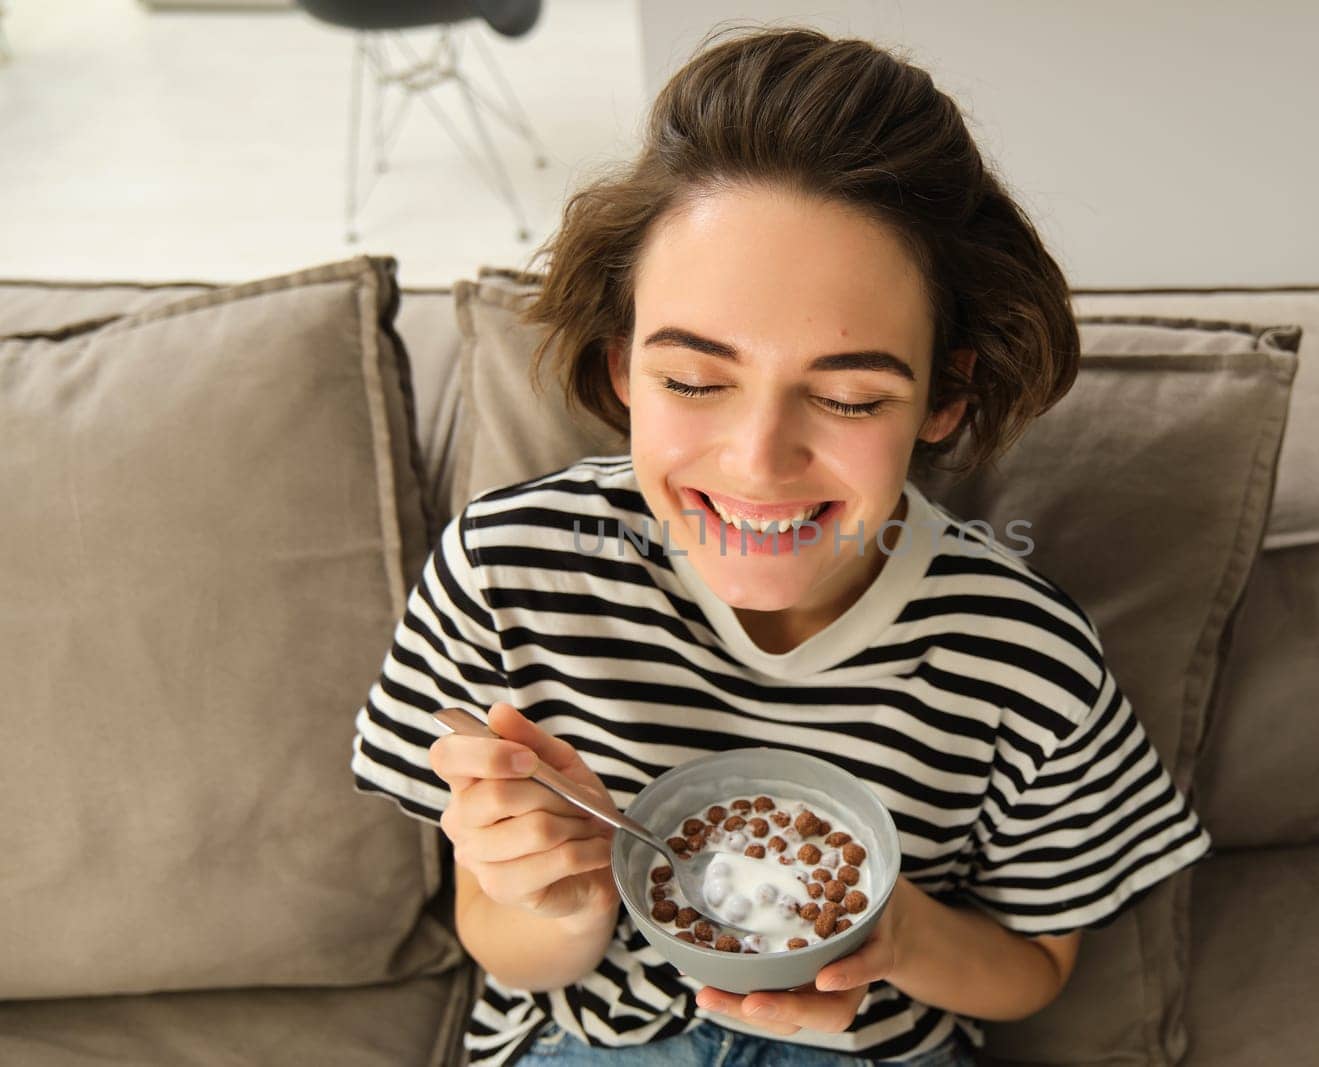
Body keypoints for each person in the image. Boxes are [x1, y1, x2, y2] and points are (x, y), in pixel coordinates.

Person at [351, 24, 1212, 1067]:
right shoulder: (504, 576)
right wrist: (569, 901)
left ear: (942, 397)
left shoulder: (1021, 656)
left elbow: (1032, 965)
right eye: (694, 380)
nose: (758, 464)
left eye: (848, 395)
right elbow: (500, 942)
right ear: (622, 364)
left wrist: (893, 932)